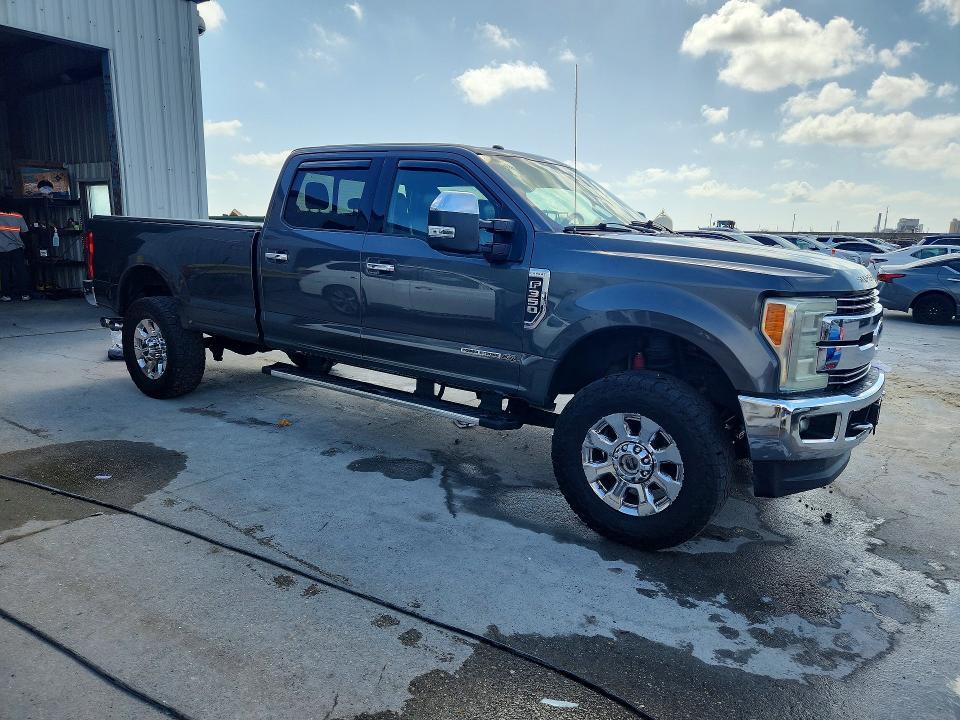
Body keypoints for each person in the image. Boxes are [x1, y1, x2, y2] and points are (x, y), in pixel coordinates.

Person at [0, 209, 31, 302]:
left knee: (5, 271)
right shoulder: (18, 216)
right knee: (21, 271)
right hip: (17, 247)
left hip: (2, 248)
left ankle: (6, 295)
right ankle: (25, 294)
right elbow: (25, 232)